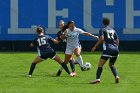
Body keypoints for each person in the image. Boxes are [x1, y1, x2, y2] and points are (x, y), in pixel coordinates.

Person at [90, 17, 120, 84]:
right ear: (109, 23)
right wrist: (116, 47)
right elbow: (117, 40)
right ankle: (116, 76)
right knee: (111, 65)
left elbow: (101, 38)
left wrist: (95, 46)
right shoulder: (113, 30)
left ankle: (97, 79)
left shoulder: (102, 29)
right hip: (115, 50)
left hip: (108, 49)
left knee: (100, 65)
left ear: (103, 23)